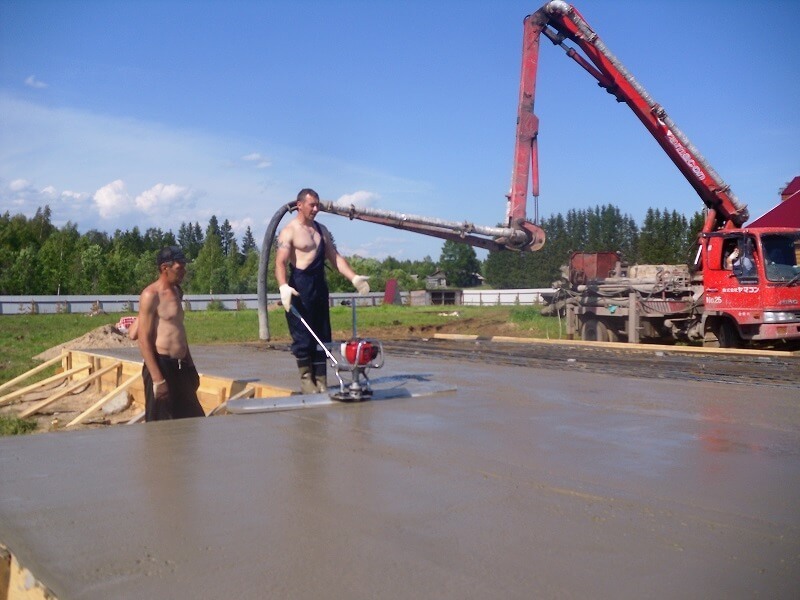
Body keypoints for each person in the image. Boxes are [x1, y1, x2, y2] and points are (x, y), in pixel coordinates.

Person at [275, 188, 370, 393]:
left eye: (318, 205)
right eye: (312, 205)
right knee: (303, 336)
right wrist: (283, 286)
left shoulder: (321, 230)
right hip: (299, 289)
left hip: (319, 287)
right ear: (300, 205)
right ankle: (307, 380)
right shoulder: (289, 231)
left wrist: (353, 277)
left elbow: (335, 258)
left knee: (322, 335)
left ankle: (321, 380)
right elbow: (280, 262)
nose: (316, 209)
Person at [137, 246, 204, 421]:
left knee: (193, 422)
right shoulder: (151, 295)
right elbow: (143, 340)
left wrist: (190, 366)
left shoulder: (176, 292)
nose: (184, 271)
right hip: (161, 366)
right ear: (165, 268)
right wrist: (157, 379)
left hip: (181, 366)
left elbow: (179, 332)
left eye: (184, 267)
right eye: (179, 267)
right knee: (161, 427)